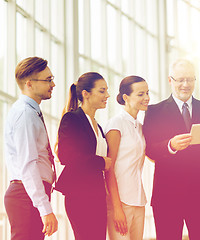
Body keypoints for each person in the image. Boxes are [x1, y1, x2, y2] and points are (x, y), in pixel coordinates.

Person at [142, 59, 200, 240]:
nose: (185, 84)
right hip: (167, 196)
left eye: (190, 79)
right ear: (170, 80)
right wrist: (170, 145)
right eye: (180, 79)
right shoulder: (154, 111)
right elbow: (149, 149)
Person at [4, 56, 58, 240]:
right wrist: (44, 209)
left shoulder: (32, 112)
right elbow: (28, 164)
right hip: (25, 196)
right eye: (48, 80)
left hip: (28, 194)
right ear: (29, 84)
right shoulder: (25, 114)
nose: (53, 84)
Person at [55, 72, 111, 240]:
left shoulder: (98, 127)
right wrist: (100, 162)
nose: (107, 95)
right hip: (80, 195)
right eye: (102, 91)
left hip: (97, 194)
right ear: (86, 94)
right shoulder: (72, 119)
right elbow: (66, 156)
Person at [105, 76, 149, 240]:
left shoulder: (140, 127)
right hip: (120, 202)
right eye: (140, 94)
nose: (146, 98)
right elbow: (108, 168)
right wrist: (117, 208)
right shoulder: (116, 124)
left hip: (138, 200)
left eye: (147, 93)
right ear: (126, 97)